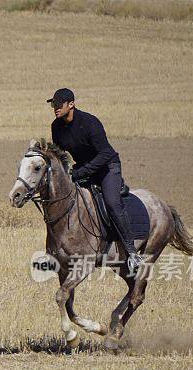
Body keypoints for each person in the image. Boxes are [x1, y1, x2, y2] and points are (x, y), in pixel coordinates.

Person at [47, 88, 144, 276]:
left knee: (112, 203)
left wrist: (81, 172)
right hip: (83, 169)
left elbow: (106, 153)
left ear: (71, 104)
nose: (55, 108)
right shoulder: (56, 127)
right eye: (53, 105)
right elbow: (59, 156)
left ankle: (132, 253)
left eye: (59, 104)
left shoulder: (90, 122)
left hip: (107, 168)